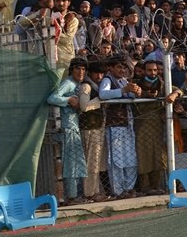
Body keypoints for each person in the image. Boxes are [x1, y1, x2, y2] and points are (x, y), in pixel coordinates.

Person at [134, 58, 181, 194]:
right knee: (144, 157)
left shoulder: (163, 84)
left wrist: (174, 94)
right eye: (149, 70)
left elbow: (179, 90)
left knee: (159, 157)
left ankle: (157, 186)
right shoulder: (137, 84)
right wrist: (143, 94)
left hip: (158, 127)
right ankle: (144, 188)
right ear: (144, 71)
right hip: (142, 127)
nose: (153, 73)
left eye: (155, 70)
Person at [47, 58, 89, 203]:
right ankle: (71, 196)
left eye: (83, 69)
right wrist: (68, 100)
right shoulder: (68, 83)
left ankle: (75, 194)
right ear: (71, 70)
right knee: (71, 163)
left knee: (76, 163)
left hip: (74, 127)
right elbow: (52, 98)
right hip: (67, 128)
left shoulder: (78, 85)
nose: (81, 72)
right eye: (78, 68)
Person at [99, 56, 141, 197]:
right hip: (114, 125)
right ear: (110, 68)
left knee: (130, 158)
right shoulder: (108, 80)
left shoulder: (123, 81)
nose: (122, 70)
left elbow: (130, 95)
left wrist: (136, 92)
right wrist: (123, 91)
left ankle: (129, 187)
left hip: (127, 123)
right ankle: (118, 190)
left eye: (123, 67)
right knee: (116, 159)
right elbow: (103, 94)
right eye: (118, 67)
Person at [78, 60, 108, 200]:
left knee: (97, 161)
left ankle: (95, 190)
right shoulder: (86, 86)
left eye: (102, 73)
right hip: (90, 128)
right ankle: (90, 193)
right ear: (90, 73)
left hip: (97, 126)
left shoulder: (97, 86)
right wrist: (99, 101)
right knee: (91, 161)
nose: (99, 76)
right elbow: (84, 106)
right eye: (96, 73)